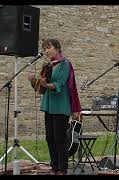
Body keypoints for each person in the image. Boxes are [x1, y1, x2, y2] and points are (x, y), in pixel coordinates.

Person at [28, 38, 81, 175]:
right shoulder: (47, 65)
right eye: (44, 48)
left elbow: (59, 85)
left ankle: (62, 169)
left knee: (59, 139)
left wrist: (46, 84)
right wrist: (34, 81)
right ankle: (54, 167)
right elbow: (40, 89)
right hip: (49, 106)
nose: (46, 51)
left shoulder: (65, 64)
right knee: (50, 138)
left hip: (61, 106)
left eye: (48, 47)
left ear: (57, 48)